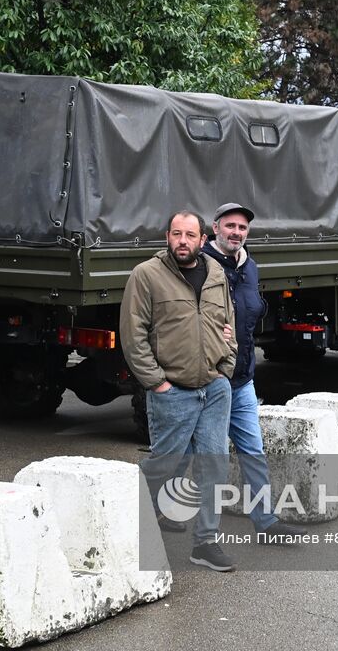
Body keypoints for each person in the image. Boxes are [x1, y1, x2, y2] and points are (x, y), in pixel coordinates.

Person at [120, 210, 238, 572]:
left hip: (214, 390)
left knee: (214, 465)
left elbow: (227, 322)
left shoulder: (216, 273)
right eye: (176, 234)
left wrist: (225, 367)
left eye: (190, 235)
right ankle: (127, 522)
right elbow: (133, 334)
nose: (183, 241)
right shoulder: (147, 275)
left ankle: (205, 543)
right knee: (165, 464)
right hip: (173, 391)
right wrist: (158, 382)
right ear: (166, 236)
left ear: (203, 239)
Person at [200, 203, 307, 543]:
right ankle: (198, 533)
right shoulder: (199, 265)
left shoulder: (250, 266)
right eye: (229, 226)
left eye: (242, 228)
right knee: (203, 458)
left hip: (243, 378)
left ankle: (266, 524)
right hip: (209, 380)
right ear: (215, 228)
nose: (236, 232)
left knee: (254, 454)